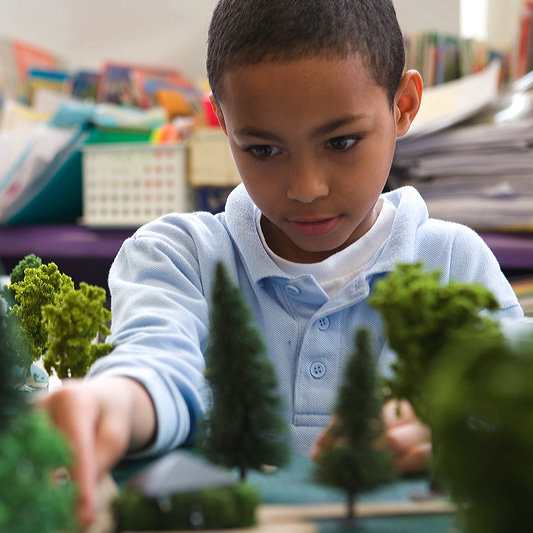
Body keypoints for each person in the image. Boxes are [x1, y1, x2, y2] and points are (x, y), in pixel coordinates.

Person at [40, 0, 524, 527]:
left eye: (342, 142)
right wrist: (114, 401)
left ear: (403, 106)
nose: (306, 188)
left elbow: (512, 409)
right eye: (263, 150)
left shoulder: (455, 262)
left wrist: (457, 427)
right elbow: (155, 362)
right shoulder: (179, 257)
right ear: (221, 121)